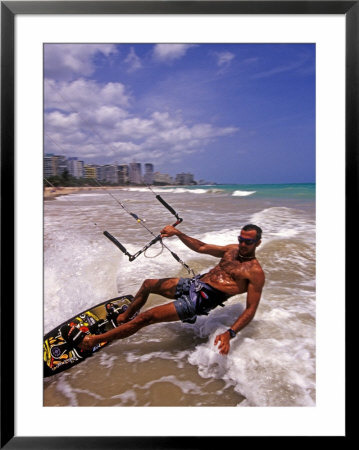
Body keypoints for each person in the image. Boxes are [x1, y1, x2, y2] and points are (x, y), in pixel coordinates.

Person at [78, 224, 265, 355]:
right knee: (148, 284)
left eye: (248, 242)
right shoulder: (231, 250)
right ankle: (124, 318)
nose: (242, 244)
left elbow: (250, 310)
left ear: (258, 243)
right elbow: (201, 247)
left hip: (200, 301)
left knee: (146, 318)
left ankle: (94, 340)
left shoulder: (255, 273)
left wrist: (229, 334)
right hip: (195, 284)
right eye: (241, 239)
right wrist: (177, 233)